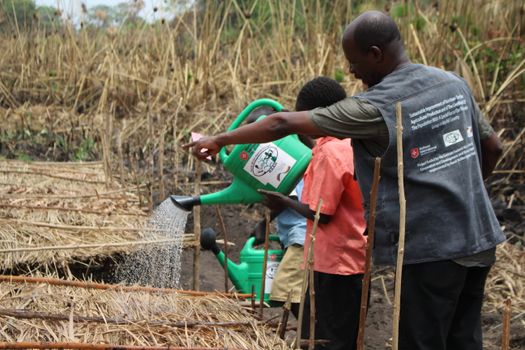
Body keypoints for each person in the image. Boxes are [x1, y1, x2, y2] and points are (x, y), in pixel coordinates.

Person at [184, 10, 505, 350]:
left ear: (375, 54)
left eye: (354, 62)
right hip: (480, 238)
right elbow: (494, 147)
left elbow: (281, 124)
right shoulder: (452, 83)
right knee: (464, 340)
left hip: (432, 250)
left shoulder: (376, 106)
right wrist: (467, 193)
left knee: (422, 342)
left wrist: (219, 140)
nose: (351, 72)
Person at [258, 76, 366, 350]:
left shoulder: (329, 153)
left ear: (319, 115)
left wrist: (282, 201)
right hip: (353, 256)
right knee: (338, 333)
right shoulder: (351, 143)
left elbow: (322, 214)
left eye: (304, 115)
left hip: (335, 260)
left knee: (328, 339)